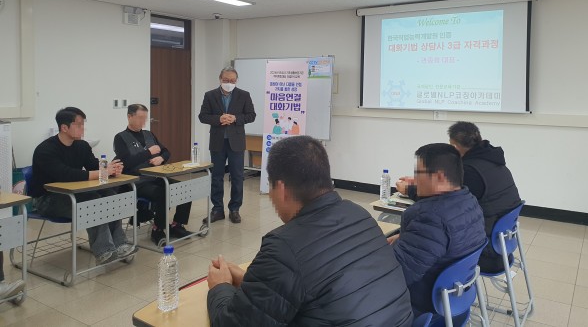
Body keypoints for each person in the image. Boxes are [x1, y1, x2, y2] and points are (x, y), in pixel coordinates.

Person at [206, 136, 413, 326]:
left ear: (281, 189)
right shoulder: (358, 213)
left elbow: (233, 323)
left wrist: (220, 286)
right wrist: (251, 282)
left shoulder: (283, 247)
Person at [397, 122, 522, 273]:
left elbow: (443, 204)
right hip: (502, 240)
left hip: (485, 250)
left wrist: (409, 189)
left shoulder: (470, 172)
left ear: (455, 147)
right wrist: (422, 180)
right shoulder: (494, 161)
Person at [389, 143, 486, 316]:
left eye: (418, 173)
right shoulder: (469, 201)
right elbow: (437, 242)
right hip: (456, 295)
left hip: (424, 304)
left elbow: (396, 274)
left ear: (439, 177)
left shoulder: (430, 217)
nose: (415, 179)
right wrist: (405, 238)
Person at [31, 107, 136, 264]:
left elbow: (93, 165)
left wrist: (111, 169)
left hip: (74, 194)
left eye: (83, 124)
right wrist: (102, 172)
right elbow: (66, 174)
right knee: (93, 202)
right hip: (47, 199)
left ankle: (120, 244)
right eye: (79, 125)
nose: (82, 128)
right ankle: (104, 251)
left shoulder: (82, 145)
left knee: (110, 196)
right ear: (64, 127)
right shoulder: (45, 150)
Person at [113, 103, 193, 246]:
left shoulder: (149, 134)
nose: (143, 121)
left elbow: (166, 151)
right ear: (129, 117)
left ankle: (177, 225)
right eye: (140, 118)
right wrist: (148, 153)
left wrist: (161, 158)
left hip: (155, 177)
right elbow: (126, 162)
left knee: (184, 188)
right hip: (136, 181)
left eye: (145, 118)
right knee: (163, 193)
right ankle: (158, 229)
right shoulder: (120, 138)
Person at [199, 67, 256, 224]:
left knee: (237, 176)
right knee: (216, 176)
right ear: (220, 79)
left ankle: (234, 209)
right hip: (217, 141)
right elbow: (202, 116)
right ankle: (217, 209)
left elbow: (251, 115)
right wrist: (218, 119)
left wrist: (235, 118)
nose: (229, 83)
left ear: (236, 81)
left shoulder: (244, 95)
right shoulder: (210, 95)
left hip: (236, 142)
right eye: (226, 80)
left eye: (232, 81)